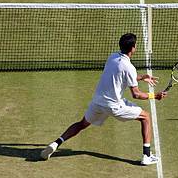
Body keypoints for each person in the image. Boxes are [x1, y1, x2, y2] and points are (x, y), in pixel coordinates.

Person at [40, 33, 167, 165]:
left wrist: (141, 77)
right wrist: (155, 96)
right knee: (145, 117)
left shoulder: (112, 57)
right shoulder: (129, 68)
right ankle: (146, 156)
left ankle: (56, 143)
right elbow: (136, 94)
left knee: (82, 124)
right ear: (133, 48)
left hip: (98, 102)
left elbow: (120, 75)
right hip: (114, 106)